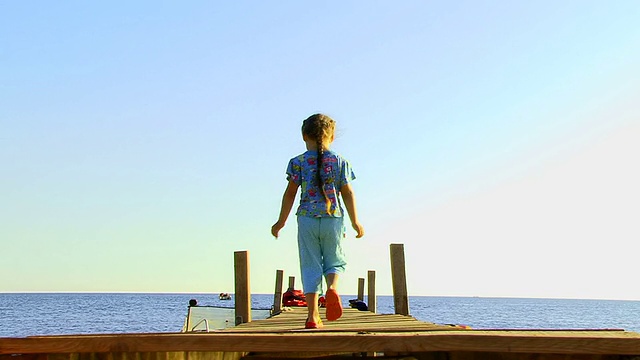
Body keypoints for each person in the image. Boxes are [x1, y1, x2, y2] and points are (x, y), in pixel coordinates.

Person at [271, 113, 365, 329]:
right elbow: (348, 193)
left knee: (310, 265)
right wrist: (355, 222)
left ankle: (313, 316)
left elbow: (289, 194)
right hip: (333, 218)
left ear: (304, 135)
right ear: (331, 137)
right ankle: (332, 288)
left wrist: (280, 222)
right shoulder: (340, 162)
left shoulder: (298, 163)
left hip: (306, 219)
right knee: (335, 260)